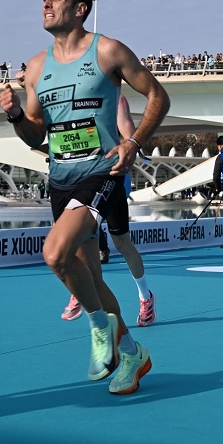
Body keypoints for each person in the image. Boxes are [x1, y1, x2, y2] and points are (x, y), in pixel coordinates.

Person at [0, 0, 169, 394]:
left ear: (80, 8)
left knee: (54, 253)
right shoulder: (36, 67)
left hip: (101, 173)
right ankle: (132, 352)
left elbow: (159, 97)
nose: (46, 3)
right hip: (60, 179)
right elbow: (37, 135)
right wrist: (17, 116)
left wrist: (133, 141)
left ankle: (98, 328)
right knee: (90, 277)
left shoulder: (107, 50)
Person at [61, 94, 156, 327]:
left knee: (122, 243)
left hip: (112, 179)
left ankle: (146, 297)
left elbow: (129, 133)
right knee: (83, 239)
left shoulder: (116, 99)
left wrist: (129, 142)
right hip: (83, 180)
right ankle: (82, 290)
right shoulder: (73, 99)